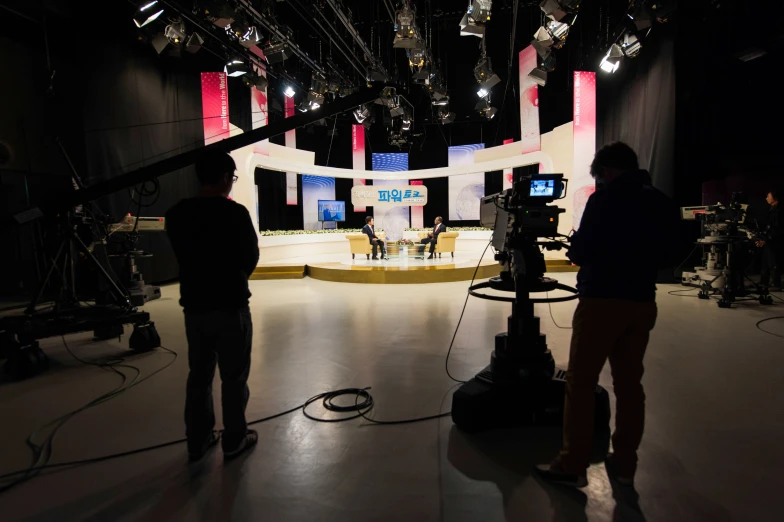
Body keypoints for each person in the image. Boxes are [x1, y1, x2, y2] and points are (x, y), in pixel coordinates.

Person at [535, 142, 676, 488]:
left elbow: (581, 252)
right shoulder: (660, 201)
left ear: (609, 171)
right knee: (630, 385)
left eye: (601, 177)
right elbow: (672, 252)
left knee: (581, 383)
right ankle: (625, 463)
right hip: (642, 302)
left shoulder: (604, 200)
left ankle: (572, 465)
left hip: (601, 302)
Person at [166, 149, 259, 462]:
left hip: (195, 308)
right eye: (232, 177)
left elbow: (181, 254)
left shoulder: (178, 214)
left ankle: (198, 438)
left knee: (199, 376)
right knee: (233, 378)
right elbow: (250, 259)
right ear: (224, 177)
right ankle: (234, 439)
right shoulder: (235, 214)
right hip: (231, 306)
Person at [756, 189, 781, 291]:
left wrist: (766, 240)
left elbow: (777, 229)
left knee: (773, 262)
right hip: (769, 239)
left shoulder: (779, 211)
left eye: (768, 196)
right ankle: (764, 282)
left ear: (774, 198)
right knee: (765, 262)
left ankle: (776, 284)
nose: (766, 198)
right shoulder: (772, 209)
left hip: (775, 241)